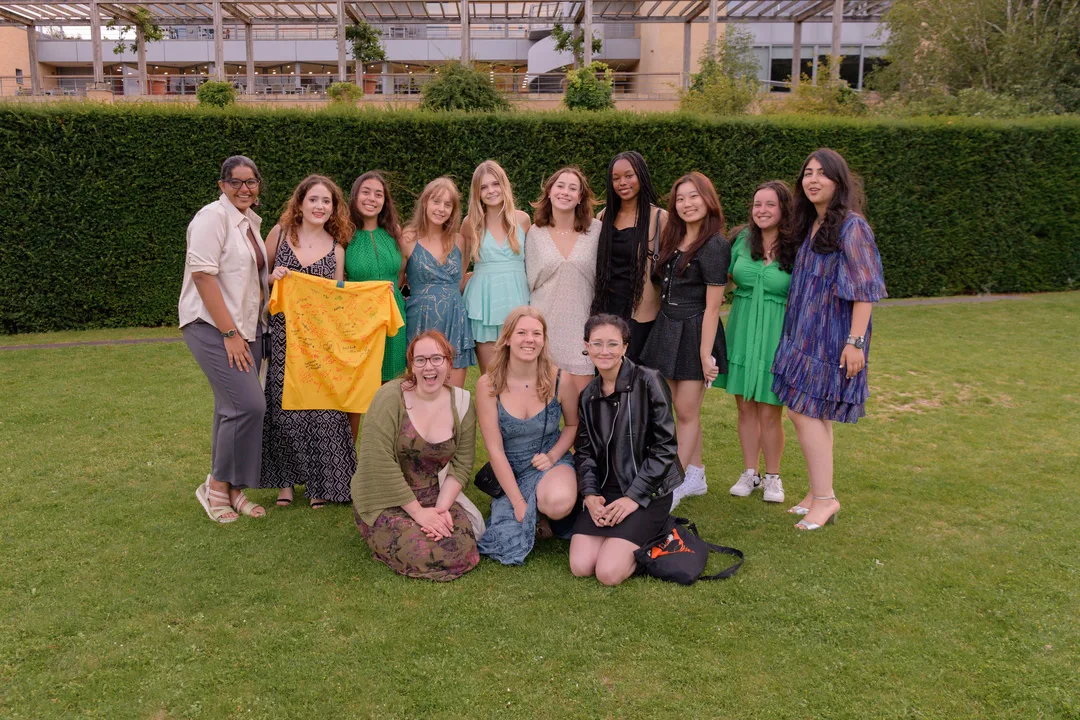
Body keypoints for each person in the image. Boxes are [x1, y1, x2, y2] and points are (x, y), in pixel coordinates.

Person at [772, 148, 887, 531]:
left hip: (833, 338)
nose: (813, 180)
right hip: (804, 333)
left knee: (802, 412)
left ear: (839, 182)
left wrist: (855, 342)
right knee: (812, 412)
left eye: (822, 173)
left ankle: (825, 499)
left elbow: (866, 289)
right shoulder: (813, 224)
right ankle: (817, 491)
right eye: (807, 173)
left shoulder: (852, 226)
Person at [180, 155, 269, 523]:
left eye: (251, 181)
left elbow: (248, 279)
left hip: (250, 329)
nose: (245, 188)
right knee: (249, 406)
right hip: (212, 327)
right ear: (222, 186)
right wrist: (230, 333)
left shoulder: (250, 222)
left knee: (228, 408)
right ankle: (216, 486)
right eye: (236, 182)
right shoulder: (212, 218)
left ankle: (232, 489)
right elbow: (203, 276)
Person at [351, 331, 480, 581]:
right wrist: (420, 514)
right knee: (422, 550)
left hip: (435, 496)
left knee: (463, 547)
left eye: (436, 359)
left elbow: (462, 464)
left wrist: (440, 511)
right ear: (411, 365)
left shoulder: (462, 403)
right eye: (420, 360)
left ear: (449, 363)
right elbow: (378, 462)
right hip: (386, 497)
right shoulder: (390, 398)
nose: (428, 367)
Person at [260, 175, 357, 509]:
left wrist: (374, 293)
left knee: (321, 409)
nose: (320, 206)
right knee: (282, 407)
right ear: (300, 202)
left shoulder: (337, 247)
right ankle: (285, 481)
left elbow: (338, 296)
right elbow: (258, 277)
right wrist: (272, 279)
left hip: (319, 341)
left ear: (334, 208)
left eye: (326, 201)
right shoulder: (280, 235)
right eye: (313, 199)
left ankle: (321, 484)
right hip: (284, 336)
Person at [570, 314, 683, 587]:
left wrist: (634, 497)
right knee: (581, 565)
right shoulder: (587, 396)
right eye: (597, 344)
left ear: (625, 347)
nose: (604, 351)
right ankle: (619, 536)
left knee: (608, 573)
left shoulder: (649, 381)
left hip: (647, 488)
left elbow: (665, 447)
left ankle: (660, 530)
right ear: (586, 346)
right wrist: (590, 494)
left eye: (612, 344)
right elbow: (584, 452)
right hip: (607, 489)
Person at [639, 172, 730, 507]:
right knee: (672, 409)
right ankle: (697, 474)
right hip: (666, 327)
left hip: (695, 331)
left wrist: (706, 354)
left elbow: (712, 308)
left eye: (694, 196)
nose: (687, 204)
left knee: (687, 411)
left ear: (708, 200)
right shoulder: (671, 237)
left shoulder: (716, 245)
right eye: (681, 198)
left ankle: (674, 484)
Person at [713, 181, 799, 504]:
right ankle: (751, 472)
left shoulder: (796, 246)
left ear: (784, 210)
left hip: (777, 335)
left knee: (770, 410)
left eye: (770, 205)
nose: (761, 210)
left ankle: (773, 477)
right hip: (742, 330)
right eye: (757, 204)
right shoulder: (741, 242)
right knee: (745, 406)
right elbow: (725, 278)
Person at [475, 307, 579, 565]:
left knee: (558, 502)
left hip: (549, 461)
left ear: (543, 340)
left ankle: (546, 513)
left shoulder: (560, 379)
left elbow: (573, 426)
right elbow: (495, 450)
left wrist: (553, 456)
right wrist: (518, 502)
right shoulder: (488, 385)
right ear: (508, 338)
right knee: (505, 535)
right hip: (510, 466)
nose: (529, 339)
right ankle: (529, 510)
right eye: (521, 332)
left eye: (536, 333)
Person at [526, 166, 601, 395]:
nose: (565, 192)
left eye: (572, 188)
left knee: (582, 410)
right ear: (549, 192)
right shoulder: (534, 233)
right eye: (560, 186)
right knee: (543, 407)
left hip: (581, 329)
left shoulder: (596, 230)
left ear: (580, 197)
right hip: (545, 328)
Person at [344, 171, 407, 438]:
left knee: (389, 387)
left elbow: (402, 272)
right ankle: (348, 461)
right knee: (357, 390)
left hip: (394, 316)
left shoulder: (394, 234)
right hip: (359, 318)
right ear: (355, 196)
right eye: (366, 192)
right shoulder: (344, 234)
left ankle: (385, 457)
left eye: (378, 194)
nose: (372, 198)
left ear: (385, 201)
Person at [591, 151, 667, 364]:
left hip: (641, 311)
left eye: (629, 175)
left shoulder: (659, 218)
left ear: (641, 176)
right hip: (607, 308)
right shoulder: (604, 216)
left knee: (634, 374)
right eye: (616, 178)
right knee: (606, 370)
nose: (622, 183)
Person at [403, 177, 475, 387]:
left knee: (454, 395)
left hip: (454, 318)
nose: (441, 209)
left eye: (448, 204)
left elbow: (460, 281)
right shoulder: (408, 240)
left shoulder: (460, 240)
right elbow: (398, 281)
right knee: (420, 390)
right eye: (436, 201)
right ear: (425, 202)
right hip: (420, 319)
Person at [462, 160, 532, 375]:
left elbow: (533, 266)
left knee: (521, 374)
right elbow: (460, 269)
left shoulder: (523, 220)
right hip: (484, 305)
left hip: (518, 300)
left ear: (504, 185)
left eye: (495, 184)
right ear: (477, 193)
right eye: (483, 187)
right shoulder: (469, 223)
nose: (491, 191)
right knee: (491, 377)